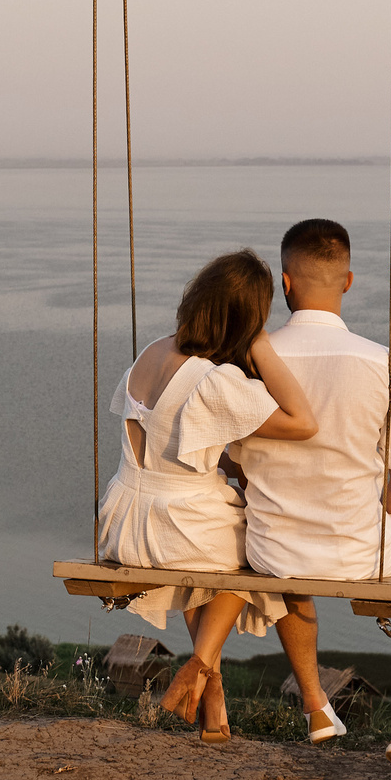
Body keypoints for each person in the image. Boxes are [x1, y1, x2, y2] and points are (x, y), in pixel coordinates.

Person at [229, 218, 391, 780]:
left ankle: (316, 705)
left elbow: (232, 461)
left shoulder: (252, 358)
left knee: (287, 568)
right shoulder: (384, 363)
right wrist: (376, 517)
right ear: (348, 281)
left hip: (274, 548)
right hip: (357, 548)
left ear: (284, 284)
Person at [95, 249, 319, 743]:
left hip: (124, 520)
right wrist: (259, 346)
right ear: (248, 318)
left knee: (211, 551)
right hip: (175, 525)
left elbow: (166, 443)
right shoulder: (216, 379)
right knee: (260, 551)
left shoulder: (152, 351)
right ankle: (198, 664)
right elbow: (304, 421)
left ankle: (214, 701)